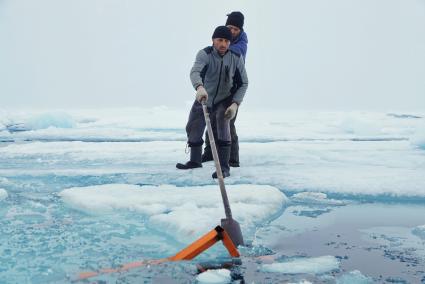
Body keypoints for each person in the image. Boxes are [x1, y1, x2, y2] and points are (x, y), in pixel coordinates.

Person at [176, 26, 248, 178]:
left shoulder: (236, 57)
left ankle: (224, 167)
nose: (223, 44)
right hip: (204, 97)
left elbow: (244, 83)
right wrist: (199, 87)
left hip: (224, 99)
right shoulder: (205, 54)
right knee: (193, 127)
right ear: (213, 40)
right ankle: (195, 160)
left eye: (227, 41)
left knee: (223, 129)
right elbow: (195, 71)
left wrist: (235, 103)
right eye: (220, 40)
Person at [201, 11, 248, 167]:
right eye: (230, 27)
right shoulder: (223, 40)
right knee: (212, 119)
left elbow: (229, 54)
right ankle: (209, 153)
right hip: (216, 89)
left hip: (232, 90)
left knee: (228, 122)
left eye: (236, 29)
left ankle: (232, 159)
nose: (232, 31)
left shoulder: (239, 45)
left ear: (240, 30)